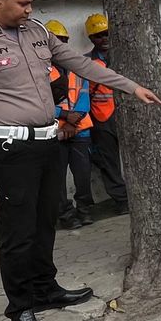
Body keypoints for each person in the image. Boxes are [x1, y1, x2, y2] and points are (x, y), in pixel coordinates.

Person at [0, 0, 161, 321]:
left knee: (47, 220)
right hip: (8, 152)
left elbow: (83, 65)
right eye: (23, 2)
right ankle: (21, 311)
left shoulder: (38, 33)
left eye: (32, 2)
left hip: (48, 144)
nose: (30, 9)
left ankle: (45, 288)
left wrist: (130, 87)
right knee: (19, 231)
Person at [44, 20, 96, 230]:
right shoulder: (40, 71)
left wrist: (75, 119)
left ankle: (84, 210)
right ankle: (66, 215)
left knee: (83, 175)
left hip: (80, 129)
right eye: (57, 41)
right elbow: (40, 104)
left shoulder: (77, 66)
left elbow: (84, 96)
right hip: (56, 131)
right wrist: (65, 115)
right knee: (56, 179)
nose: (61, 45)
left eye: (64, 41)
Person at [84, 13, 129, 215]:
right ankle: (121, 199)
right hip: (102, 118)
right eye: (99, 35)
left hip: (127, 116)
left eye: (107, 34)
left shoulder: (124, 57)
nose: (104, 39)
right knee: (109, 162)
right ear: (91, 39)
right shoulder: (87, 63)